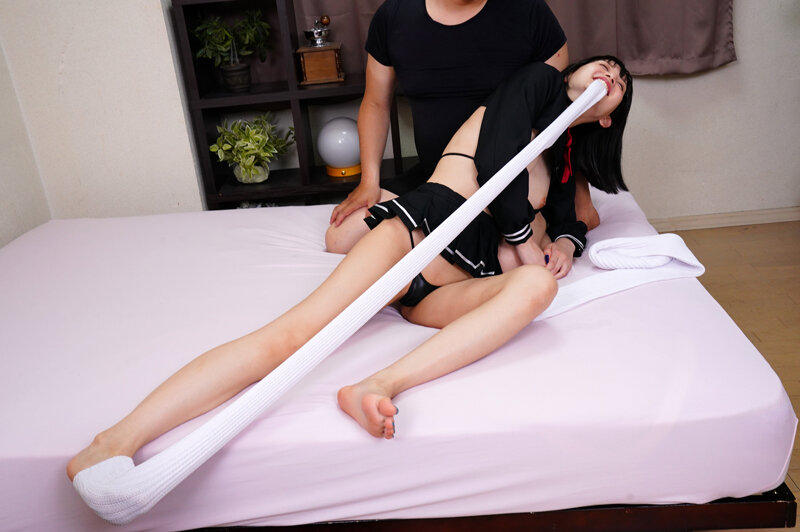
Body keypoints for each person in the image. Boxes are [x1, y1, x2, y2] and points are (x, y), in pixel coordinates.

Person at [67, 56, 631, 481]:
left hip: (450, 285)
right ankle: (113, 442)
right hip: (420, 233)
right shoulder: (537, 85)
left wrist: (564, 241)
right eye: (605, 63)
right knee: (290, 337)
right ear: (576, 71)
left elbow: (571, 221)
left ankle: (376, 386)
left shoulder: (562, 161)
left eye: (623, 81)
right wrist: (524, 240)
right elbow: (497, 161)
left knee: (536, 286)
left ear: (608, 120)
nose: (612, 71)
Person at [328, 0, 572, 229]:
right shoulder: (394, 15)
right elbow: (375, 104)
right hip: (435, 178)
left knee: (502, 241)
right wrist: (369, 182)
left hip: (507, 183)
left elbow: (560, 111)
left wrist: (576, 197)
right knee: (343, 234)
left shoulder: (529, 10)